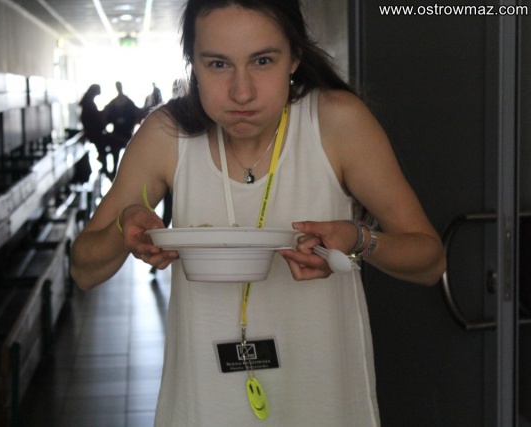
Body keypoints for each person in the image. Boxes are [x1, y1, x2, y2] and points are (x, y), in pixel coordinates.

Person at [71, 0, 446, 425]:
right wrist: (123, 228)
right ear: (193, 63)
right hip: (204, 407)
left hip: (321, 404)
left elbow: (429, 260)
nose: (242, 92)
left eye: (263, 61)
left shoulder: (336, 122)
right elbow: (83, 268)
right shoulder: (166, 135)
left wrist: (359, 239)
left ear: (294, 58)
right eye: (218, 65)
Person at [102, 81, 140, 180]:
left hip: (126, 132)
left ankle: (127, 174)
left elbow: (135, 114)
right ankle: (116, 174)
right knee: (116, 155)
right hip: (118, 133)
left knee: (129, 155)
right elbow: (107, 114)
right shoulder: (115, 102)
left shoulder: (127, 101)